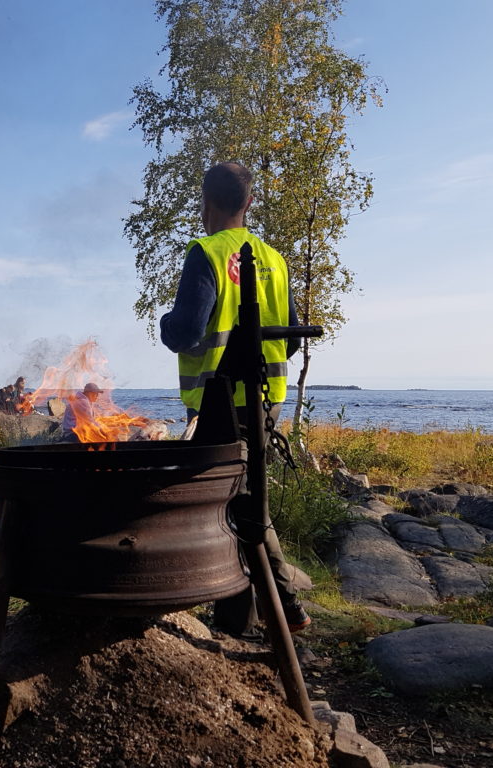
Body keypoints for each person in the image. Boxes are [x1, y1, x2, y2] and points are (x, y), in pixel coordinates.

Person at [159, 161, 308, 638]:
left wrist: (166, 322)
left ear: (205, 204)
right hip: (269, 399)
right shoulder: (275, 259)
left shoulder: (205, 252)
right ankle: (238, 619)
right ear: (249, 203)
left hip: (224, 399)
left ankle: (281, 604)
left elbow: (185, 331)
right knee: (245, 499)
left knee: (234, 505)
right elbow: (289, 339)